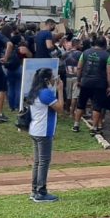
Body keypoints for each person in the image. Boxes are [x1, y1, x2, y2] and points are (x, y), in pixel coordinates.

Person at [28, 67, 64, 203]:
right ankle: (41, 192)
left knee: (38, 162)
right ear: (46, 79)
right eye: (51, 77)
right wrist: (60, 90)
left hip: (35, 129)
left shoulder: (35, 91)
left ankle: (35, 190)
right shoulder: (45, 93)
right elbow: (60, 108)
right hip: (44, 131)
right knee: (43, 162)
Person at [74, 36, 110, 134]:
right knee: (97, 105)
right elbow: (109, 73)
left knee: (81, 104)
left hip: (85, 81)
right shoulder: (107, 56)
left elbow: (79, 68)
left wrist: (78, 79)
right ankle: (94, 127)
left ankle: (76, 125)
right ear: (105, 44)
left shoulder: (85, 53)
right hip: (100, 83)